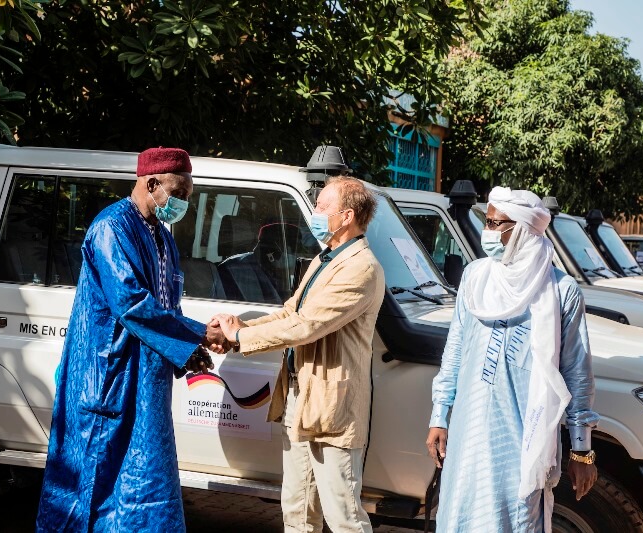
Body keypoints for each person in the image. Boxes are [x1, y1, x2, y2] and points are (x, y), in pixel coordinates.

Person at [36, 147, 228, 532]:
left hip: (146, 378)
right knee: (92, 477)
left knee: (145, 478)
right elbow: (131, 303)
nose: (184, 204)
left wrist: (189, 352)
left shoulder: (162, 236)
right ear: (152, 183)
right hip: (107, 376)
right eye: (181, 194)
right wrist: (197, 334)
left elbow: (166, 306)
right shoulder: (111, 228)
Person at [213, 175, 385, 533]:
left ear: (347, 215)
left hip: (331, 405)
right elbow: (290, 312)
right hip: (299, 396)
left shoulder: (361, 268)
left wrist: (241, 337)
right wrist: (240, 327)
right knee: (297, 509)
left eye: (323, 206)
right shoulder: (326, 258)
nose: (315, 212)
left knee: (344, 516)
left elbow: (307, 326)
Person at [425, 187, 599, 532]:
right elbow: (455, 352)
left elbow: (577, 375)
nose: (487, 232)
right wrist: (439, 415)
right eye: (486, 222)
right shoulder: (476, 278)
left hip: (522, 442)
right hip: (469, 432)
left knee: (515, 518)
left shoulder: (560, 291)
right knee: (459, 514)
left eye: (494, 223)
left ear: (520, 228)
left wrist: (582, 450)